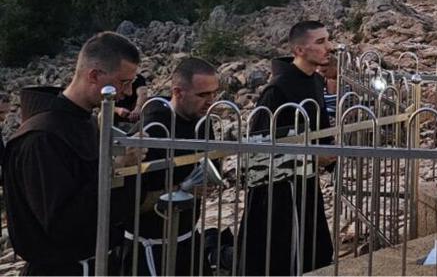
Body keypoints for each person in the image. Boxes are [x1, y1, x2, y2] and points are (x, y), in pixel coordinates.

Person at [2, 32, 143, 275]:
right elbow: (62, 225)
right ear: (94, 75)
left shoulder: (85, 121)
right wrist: (113, 170)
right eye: (124, 82)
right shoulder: (42, 138)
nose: (129, 92)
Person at [242, 20, 335, 275]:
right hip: (278, 196)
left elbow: (320, 133)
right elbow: (259, 153)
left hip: (306, 185)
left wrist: (328, 154)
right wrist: (313, 158)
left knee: (313, 252)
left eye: (328, 40)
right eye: (320, 42)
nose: (329, 47)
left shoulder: (315, 81)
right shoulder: (277, 90)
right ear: (299, 50)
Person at [123, 58, 220, 277]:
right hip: (149, 246)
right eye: (203, 95)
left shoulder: (202, 121)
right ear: (178, 92)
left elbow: (211, 167)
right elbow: (130, 200)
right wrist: (182, 189)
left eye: (214, 94)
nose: (211, 101)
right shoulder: (152, 128)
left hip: (187, 238)